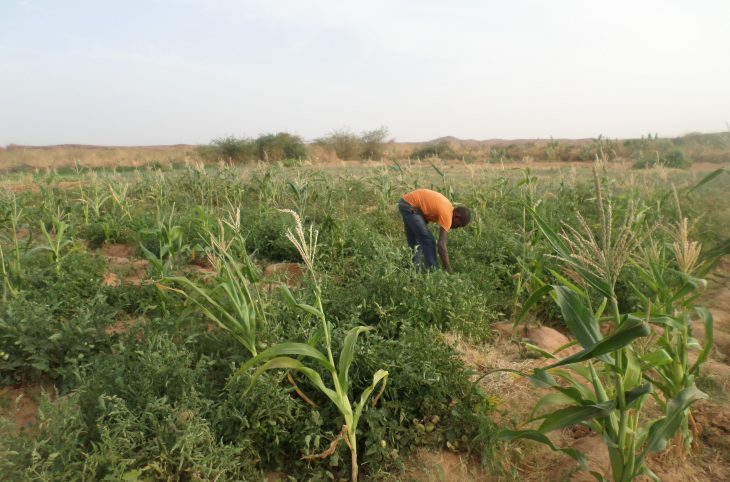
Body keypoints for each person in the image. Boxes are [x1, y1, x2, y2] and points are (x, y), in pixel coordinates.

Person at [397, 188, 471, 272]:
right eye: (457, 225)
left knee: (414, 242)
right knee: (428, 240)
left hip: (406, 202)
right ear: (457, 216)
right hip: (410, 206)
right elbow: (441, 245)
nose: (455, 227)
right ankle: (432, 271)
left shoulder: (448, 207)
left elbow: (426, 210)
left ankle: (412, 272)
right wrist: (448, 267)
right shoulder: (448, 216)